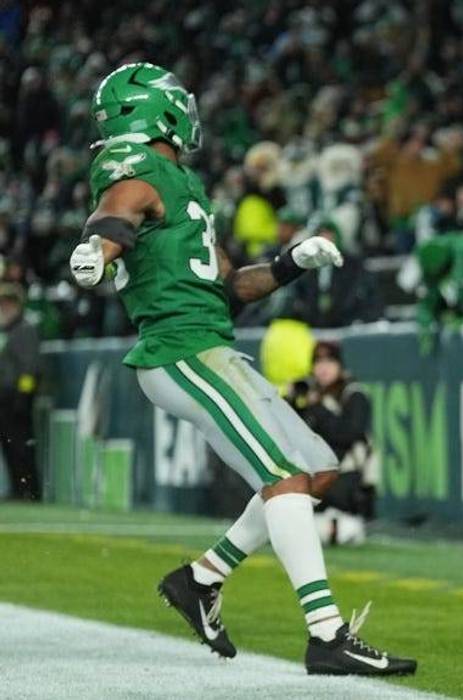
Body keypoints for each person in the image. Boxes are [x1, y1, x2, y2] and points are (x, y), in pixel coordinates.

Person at [68, 63, 414, 675]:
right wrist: (99, 247)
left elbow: (227, 285)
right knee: (282, 476)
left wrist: (289, 264)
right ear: (155, 111)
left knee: (317, 468)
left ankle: (201, 579)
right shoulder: (137, 168)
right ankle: (326, 633)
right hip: (179, 350)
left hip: (211, 342)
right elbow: (117, 209)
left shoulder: (181, 183)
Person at [294, 341, 377, 546]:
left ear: (339, 365)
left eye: (329, 362)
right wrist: (292, 402)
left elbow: (350, 433)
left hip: (345, 477)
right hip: (310, 476)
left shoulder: (353, 394)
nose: (323, 368)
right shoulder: (307, 394)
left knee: (344, 531)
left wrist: (318, 409)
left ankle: (340, 524)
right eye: (318, 362)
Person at [0, 282, 39, 501]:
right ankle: (17, 488)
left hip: (16, 397)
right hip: (3, 397)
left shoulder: (25, 329)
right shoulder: (5, 330)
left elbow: (30, 367)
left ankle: (30, 490)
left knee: (21, 447)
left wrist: (24, 396)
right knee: (8, 447)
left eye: (6, 302)